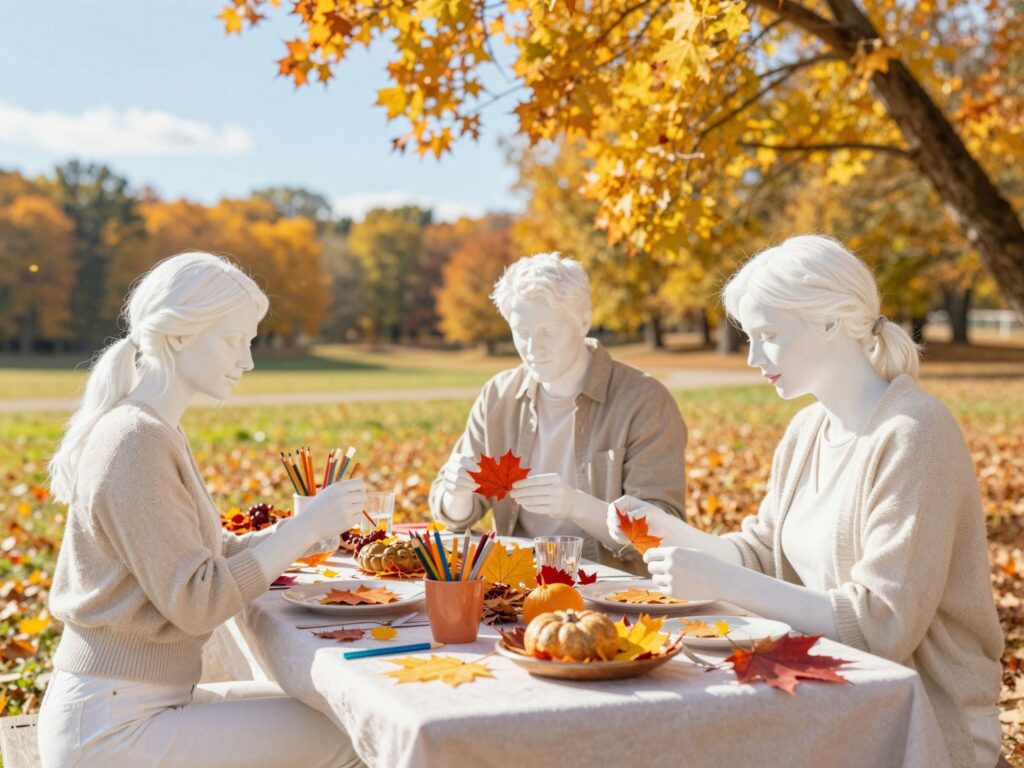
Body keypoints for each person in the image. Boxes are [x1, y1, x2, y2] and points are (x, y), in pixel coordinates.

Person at [608, 235, 1003, 768]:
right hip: (826, 698)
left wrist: (720, 582)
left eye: (767, 334)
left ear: (829, 321)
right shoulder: (807, 428)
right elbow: (765, 555)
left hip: (920, 723)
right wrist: (666, 531)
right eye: (749, 336)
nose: (751, 356)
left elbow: (880, 628)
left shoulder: (914, 434)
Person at [41, 252, 366, 767]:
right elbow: (200, 600)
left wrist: (305, 535)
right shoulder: (134, 442)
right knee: (358, 736)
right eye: (234, 340)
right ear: (178, 337)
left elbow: (212, 554)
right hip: (111, 732)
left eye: (250, 341)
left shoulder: (155, 428)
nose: (248, 360)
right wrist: (304, 525)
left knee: (346, 715)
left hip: (135, 704)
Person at [430, 252, 687, 571]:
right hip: (513, 580)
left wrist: (575, 505)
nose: (532, 348)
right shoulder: (498, 395)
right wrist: (457, 494)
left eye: (548, 331)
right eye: (521, 331)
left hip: (613, 591)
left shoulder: (645, 402)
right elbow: (455, 516)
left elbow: (660, 537)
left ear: (584, 321)